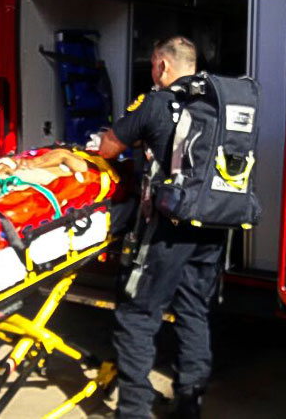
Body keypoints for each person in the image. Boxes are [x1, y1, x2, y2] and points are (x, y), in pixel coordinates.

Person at [97, 36, 224, 419]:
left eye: (154, 65)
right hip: (211, 225)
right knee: (193, 311)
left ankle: (133, 411)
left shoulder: (156, 103)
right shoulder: (218, 103)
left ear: (163, 66)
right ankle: (189, 405)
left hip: (166, 230)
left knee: (137, 316)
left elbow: (108, 148)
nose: (153, 72)